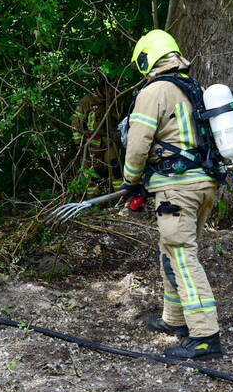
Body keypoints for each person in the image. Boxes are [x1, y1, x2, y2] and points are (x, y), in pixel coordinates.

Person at [120, 29, 223, 360]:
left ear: (149, 59)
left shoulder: (156, 91)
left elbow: (137, 143)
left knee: (181, 256)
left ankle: (205, 337)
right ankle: (175, 319)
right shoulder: (194, 88)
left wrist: (130, 181)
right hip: (204, 184)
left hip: (177, 187)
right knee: (172, 251)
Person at [71, 81, 123, 200]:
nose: (115, 92)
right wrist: (79, 144)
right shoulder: (86, 101)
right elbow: (75, 124)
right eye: (112, 89)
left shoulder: (114, 101)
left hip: (109, 143)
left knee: (116, 170)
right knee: (91, 176)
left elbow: (118, 122)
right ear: (105, 88)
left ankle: (119, 199)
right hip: (91, 146)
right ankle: (93, 203)